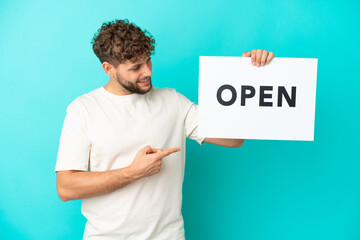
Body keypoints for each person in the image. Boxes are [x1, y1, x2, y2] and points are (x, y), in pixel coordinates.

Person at [55, 18, 274, 240]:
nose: (148, 71)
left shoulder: (173, 101)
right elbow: (66, 188)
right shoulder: (83, 109)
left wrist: (251, 76)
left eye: (148, 61)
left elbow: (234, 139)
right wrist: (133, 172)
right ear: (108, 69)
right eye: (136, 67)